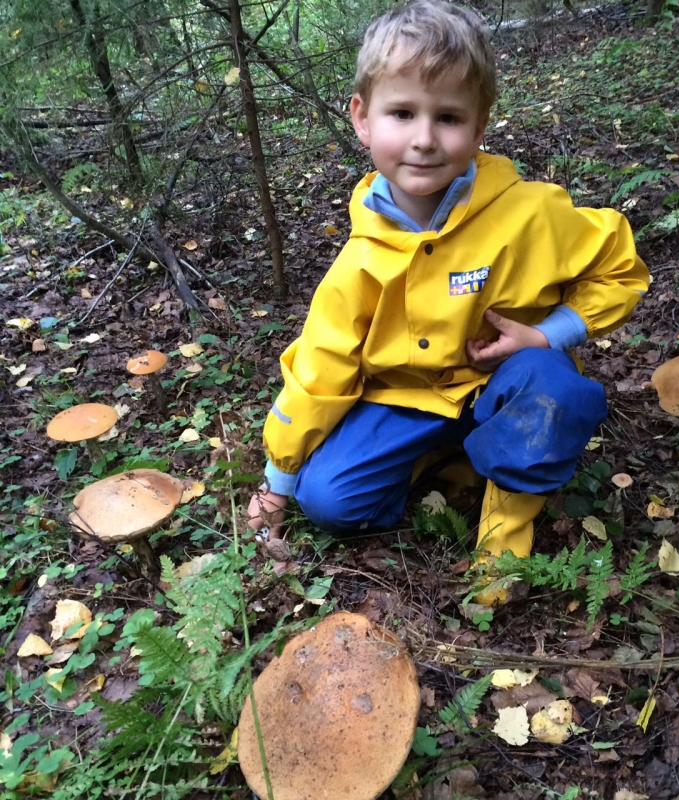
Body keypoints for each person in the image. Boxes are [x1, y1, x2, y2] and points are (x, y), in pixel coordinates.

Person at [248, 0, 649, 600]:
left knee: (555, 387)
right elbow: (320, 368)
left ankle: (502, 546)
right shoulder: (360, 259)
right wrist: (278, 479)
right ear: (362, 118)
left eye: (449, 117)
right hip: (406, 399)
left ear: (480, 125)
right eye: (402, 113)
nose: (424, 139)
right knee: (328, 502)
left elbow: (619, 267)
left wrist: (547, 335)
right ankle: (449, 457)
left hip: (506, 381)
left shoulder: (530, 213)